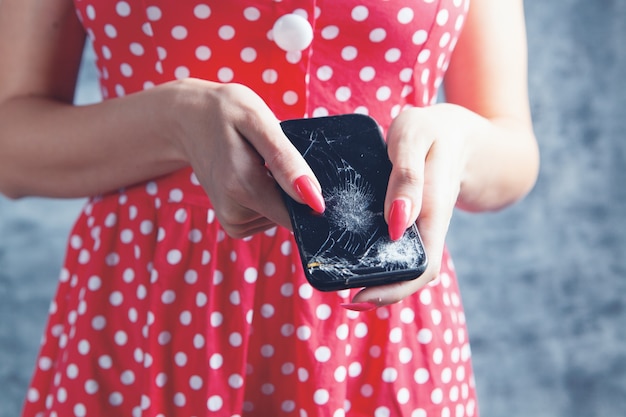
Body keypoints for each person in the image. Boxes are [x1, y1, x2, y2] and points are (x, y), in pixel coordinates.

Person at [0, 0, 539, 415]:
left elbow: (514, 151)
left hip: (379, 324)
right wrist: (171, 121)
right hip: (147, 307)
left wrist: (457, 143)